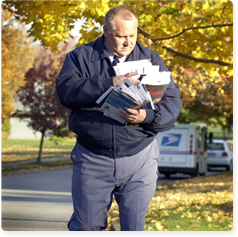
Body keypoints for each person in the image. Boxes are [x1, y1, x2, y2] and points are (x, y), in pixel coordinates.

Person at [56, 4, 182, 231]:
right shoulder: (80, 57)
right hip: (93, 158)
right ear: (105, 30)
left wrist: (146, 116)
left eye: (133, 35)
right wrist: (109, 82)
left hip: (139, 157)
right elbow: (66, 92)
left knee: (133, 227)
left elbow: (173, 105)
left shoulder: (151, 59)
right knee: (86, 228)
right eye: (121, 36)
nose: (128, 42)